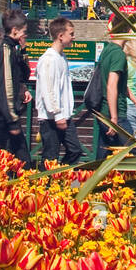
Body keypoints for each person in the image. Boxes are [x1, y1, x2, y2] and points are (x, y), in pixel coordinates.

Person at [0, 8, 32, 163]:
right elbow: (6, 87)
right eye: (24, 31)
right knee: (21, 161)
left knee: (8, 159)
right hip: (5, 115)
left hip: (6, 114)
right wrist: (12, 120)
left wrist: (23, 51)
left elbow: (24, 75)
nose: (26, 34)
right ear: (15, 30)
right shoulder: (4, 51)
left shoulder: (12, 49)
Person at [35, 17, 82, 167]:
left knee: (75, 150)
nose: (73, 37)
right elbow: (48, 89)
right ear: (61, 36)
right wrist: (57, 114)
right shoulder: (49, 59)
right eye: (71, 34)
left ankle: (59, 177)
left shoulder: (62, 57)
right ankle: (45, 184)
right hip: (51, 118)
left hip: (64, 115)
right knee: (51, 156)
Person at [83, 27, 132, 154]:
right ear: (128, 30)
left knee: (104, 154)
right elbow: (111, 85)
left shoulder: (107, 49)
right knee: (132, 154)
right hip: (115, 114)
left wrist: (135, 100)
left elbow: (118, 84)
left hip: (104, 111)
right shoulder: (118, 54)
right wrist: (114, 118)